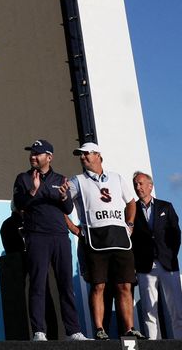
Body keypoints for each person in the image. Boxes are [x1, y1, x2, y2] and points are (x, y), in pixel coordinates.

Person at [67, 142, 146, 340]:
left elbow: (130, 202)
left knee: (125, 285)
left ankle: (129, 329)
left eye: (86, 154)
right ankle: (100, 329)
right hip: (95, 238)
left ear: (98, 155)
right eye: (81, 155)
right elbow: (60, 204)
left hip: (119, 237)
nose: (83, 157)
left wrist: (130, 224)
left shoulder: (116, 178)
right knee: (98, 285)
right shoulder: (77, 181)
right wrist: (75, 229)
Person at [12, 139, 87, 341]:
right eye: (31, 153)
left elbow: (69, 209)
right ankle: (39, 331)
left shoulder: (61, 179)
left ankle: (74, 331)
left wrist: (64, 198)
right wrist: (33, 191)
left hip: (60, 237)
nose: (33, 156)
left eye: (37, 153)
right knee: (37, 285)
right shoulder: (23, 178)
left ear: (49, 157)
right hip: (36, 236)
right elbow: (19, 205)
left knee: (66, 285)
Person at [132, 171, 182, 339]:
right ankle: (154, 344)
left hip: (168, 264)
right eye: (135, 184)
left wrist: (171, 254)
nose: (137, 187)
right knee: (149, 311)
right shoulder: (131, 210)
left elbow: (176, 233)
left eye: (140, 183)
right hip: (145, 266)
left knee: (176, 308)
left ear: (150, 185)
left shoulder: (165, 206)